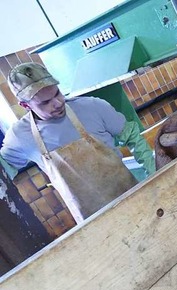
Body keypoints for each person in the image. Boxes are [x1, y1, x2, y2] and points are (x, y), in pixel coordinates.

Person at [0, 62, 155, 223]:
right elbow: (5, 170)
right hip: (93, 222)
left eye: (57, 93)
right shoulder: (20, 137)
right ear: (25, 105)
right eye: (45, 102)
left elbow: (132, 135)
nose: (58, 103)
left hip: (134, 198)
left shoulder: (92, 106)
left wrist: (153, 172)